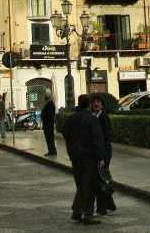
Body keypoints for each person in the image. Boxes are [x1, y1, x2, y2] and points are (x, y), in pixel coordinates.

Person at [61, 94, 106, 225]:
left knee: (80, 185)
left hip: (75, 157)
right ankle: (88, 215)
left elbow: (65, 133)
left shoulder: (70, 119)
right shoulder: (91, 119)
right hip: (88, 158)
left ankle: (77, 212)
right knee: (88, 187)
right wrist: (101, 157)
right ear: (89, 105)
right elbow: (97, 140)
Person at [91, 95, 116, 215]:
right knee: (102, 179)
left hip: (104, 152)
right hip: (97, 152)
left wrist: (103, 157)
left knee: (100, 180)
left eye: (98, 102)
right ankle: (110, 204)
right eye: (94, 102)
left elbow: (106, 137)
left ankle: (102, 209)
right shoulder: (93, 116)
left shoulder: (104, 118)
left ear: (102, 104)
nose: (96, 104)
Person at [42, 92, 57, 156]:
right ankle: (51, 150)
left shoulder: (50, 104)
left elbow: (49, 115)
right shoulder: (49, 103)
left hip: (48, 124)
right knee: (49, 137)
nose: (44, 98)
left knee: (49, 137)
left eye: (45, 96)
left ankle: (52, 150)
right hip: (48, 124)